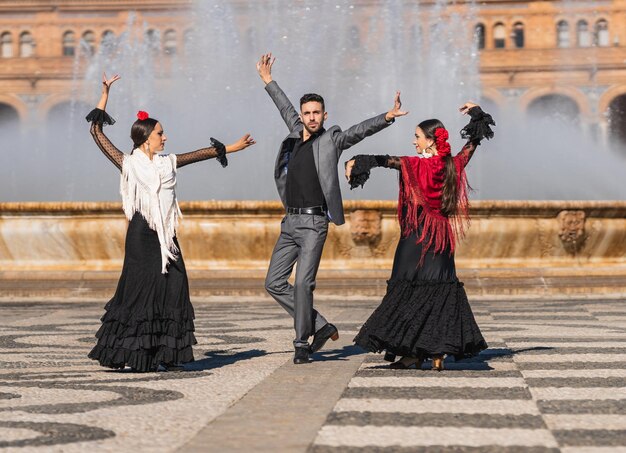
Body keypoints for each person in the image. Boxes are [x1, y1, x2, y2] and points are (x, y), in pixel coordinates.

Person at [86, 73, 256, 372]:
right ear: (146, 139)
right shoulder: (128, 163)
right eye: (160, 134)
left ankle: (166, 353)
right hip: (142, 236)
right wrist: (104, 94)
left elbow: (200, 154)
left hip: (166, 237)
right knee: (140, 292)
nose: (165, 138)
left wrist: (232, 147)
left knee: (175, 287)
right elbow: (96, 132)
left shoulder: (168, 162)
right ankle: (131, 353)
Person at [256, 53, 407, 364]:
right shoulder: (295, 133)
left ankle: (301, 342)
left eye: (316, 113)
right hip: (290, 223)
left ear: (325, 115)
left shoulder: (332, 139)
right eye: (307, 112)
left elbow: (358, 131)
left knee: (303, 283)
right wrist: (268, 81)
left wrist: (387, 116)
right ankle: (320, 325)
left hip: (314, 224)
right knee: (273, 282)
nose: (311, 117)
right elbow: (284, 106)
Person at [345, 102, 495, 370]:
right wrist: (476, 112)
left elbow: (383, 160)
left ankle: (415, 353)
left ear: (429, 141)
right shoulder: (454, 165)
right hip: (441, 238)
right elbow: (475, 140)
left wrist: (355, 163)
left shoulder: (412, 165)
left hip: (416, 237)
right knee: (440, 293)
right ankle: (434, 352)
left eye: (417, 137)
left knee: (406, 291)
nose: (413, 142)